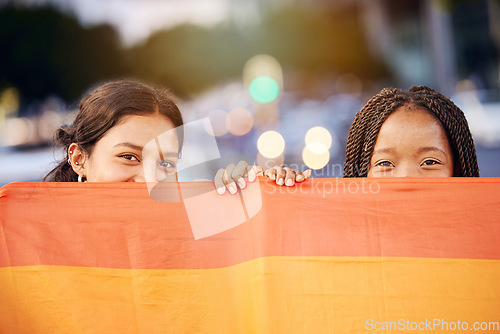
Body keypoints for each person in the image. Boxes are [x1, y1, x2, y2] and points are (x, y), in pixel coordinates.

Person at [215, 85, 479, 193]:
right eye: (385, 163)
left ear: (458, 169)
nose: (406, 178)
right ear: (361, 174)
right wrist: (254, 196)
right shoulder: (333, 240)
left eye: (430, 162)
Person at [44, 79, 184, 182]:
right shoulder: (42, 222)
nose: (149, 180)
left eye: (166, 164)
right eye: (129, 157)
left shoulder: (189, 220)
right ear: (79, 160)